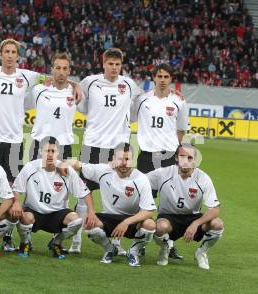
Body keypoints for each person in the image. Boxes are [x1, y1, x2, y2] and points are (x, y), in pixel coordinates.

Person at [0, 39, 83, 251]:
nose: (10, 55)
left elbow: (55, 78)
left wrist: (76, 84)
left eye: (13, 52)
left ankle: (8, 234)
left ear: (18, 56)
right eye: (6, 51)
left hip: (15, 141)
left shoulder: (28, 77)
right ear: (0, 54)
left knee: (10, 188)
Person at [70, 48, 143, 254]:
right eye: (110, 63)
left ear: (122, 65)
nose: (114, 68)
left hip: (118, 148)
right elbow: (81, 105)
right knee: (84, 192)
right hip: (93, 144)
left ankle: (116, 244)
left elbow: (143, 103)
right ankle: (76, 242)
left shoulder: (129, 85)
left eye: (117, 64)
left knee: (116, 196)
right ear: (103, 63)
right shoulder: (89, 82)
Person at [131, 63, 189, 259]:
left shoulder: (179, 102)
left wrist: (174, 149)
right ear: (153, 78)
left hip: (168, 157)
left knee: (169, 202)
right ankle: (141, 242)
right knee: (142, 202)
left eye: (166, 76)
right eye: (159, 76)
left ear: (170, 79)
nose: (162, 79)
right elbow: (128, 117)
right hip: (147, 156)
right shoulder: (142, 99)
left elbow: (181, 129)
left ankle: (169, 244)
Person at [65, 143, 156, 266]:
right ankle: (110, 249)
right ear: (113, 159)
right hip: (109, 218)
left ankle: (133, 252)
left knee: (150, 224)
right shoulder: (103, 170)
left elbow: (149, 211)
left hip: (131, 220)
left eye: (127, 159)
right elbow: (77, 164)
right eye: (120, 159)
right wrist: (63, 163)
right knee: (90, 223)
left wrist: (126, 222)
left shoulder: (141, 179)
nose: (124, 163)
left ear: (132, 160)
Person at [11, 137, 97, 259]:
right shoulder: (30, 167)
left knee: (77, 221)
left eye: (53, 151)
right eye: (47, 151)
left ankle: (56, 243)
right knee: (23, 215)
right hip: (34, 212)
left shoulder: (66, 171)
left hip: (57, 214)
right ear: (40, 151)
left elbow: (85, 193)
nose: (50, 154)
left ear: (58, 153)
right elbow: (16, 189)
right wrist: (16, 203)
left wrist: (92, 212)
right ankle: (25, 243)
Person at [147, 144, 224, 270]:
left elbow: (215, 209)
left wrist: (195, 224)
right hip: (168, 217)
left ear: (195, 160)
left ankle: (201, 252)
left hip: (193, 218)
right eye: (182, 156)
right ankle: (165, 247)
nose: (186, 161)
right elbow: (140, 182)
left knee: (218, 224)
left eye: (190, 158)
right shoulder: (163, 173)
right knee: (160, 227)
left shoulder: (202, 178)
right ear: (176, 158)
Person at [29, 53, 76, 161]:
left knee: (64, 178)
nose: (61, 72)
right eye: (58, 68)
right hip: (40, 145)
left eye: (65, 68)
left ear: (69, 71)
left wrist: (75, 85)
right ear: (52, 69)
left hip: (64, 146)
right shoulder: (38, 90)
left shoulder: (75, 93)